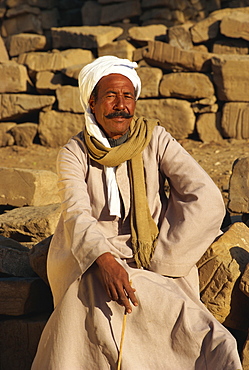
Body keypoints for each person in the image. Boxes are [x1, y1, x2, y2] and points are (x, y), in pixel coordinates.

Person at [32, 56, 242, 370]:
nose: (121, 105)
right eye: (111, 96)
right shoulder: (74, 152)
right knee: (88, 319)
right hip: (93, 261)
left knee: (208, 339)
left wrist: (164, 257)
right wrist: (103, 260)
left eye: (128, 96)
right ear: (93, 102)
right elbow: (76, 212)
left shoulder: (155, 140)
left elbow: (207, 198)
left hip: (153, 262)